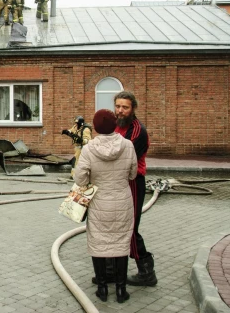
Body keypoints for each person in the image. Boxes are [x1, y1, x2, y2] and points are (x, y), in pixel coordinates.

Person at [74, 109, 137, 304]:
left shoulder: (89, 149)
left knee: (98, 243)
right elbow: (133, 173)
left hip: (99, 203)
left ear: (96, 127)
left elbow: (80, 179)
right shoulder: (127, 145)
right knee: (121, 243)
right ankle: (121, 290)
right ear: (114, 123)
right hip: (123, 201)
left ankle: (102, 289)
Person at [114, 91, 157, 287]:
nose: (120, 111)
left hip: (133, 182)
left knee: (130, 229)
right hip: (116, 182)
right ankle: (111, 271)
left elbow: (125, 159)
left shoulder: (138, 131)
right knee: (113, 226)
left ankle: (146, 272)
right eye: (118, 106)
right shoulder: (115, 126)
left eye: (125, 107)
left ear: (133, 109)